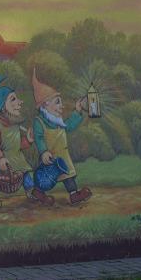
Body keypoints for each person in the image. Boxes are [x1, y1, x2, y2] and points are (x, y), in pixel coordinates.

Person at [0, 76, 54, 207]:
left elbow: (16, 144)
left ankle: (31, 191)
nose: (19, 102)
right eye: (13, 99)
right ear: (3, 107)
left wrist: (28, 140)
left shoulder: (14, 123)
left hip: (17, 157)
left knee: (25, 174)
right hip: (4, 160)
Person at [31, 68, 93, 205]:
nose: (62, 106)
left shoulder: (57, 121)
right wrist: (43, 151)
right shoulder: (39, 121)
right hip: (49, 157)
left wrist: (77, 111)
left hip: (63, 156)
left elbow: (69, 126)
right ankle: (38, 192)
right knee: (45, 177)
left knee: (68, 175)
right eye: (57, 102)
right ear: (46, 103)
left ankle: (73, 195)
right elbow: (39, 138)